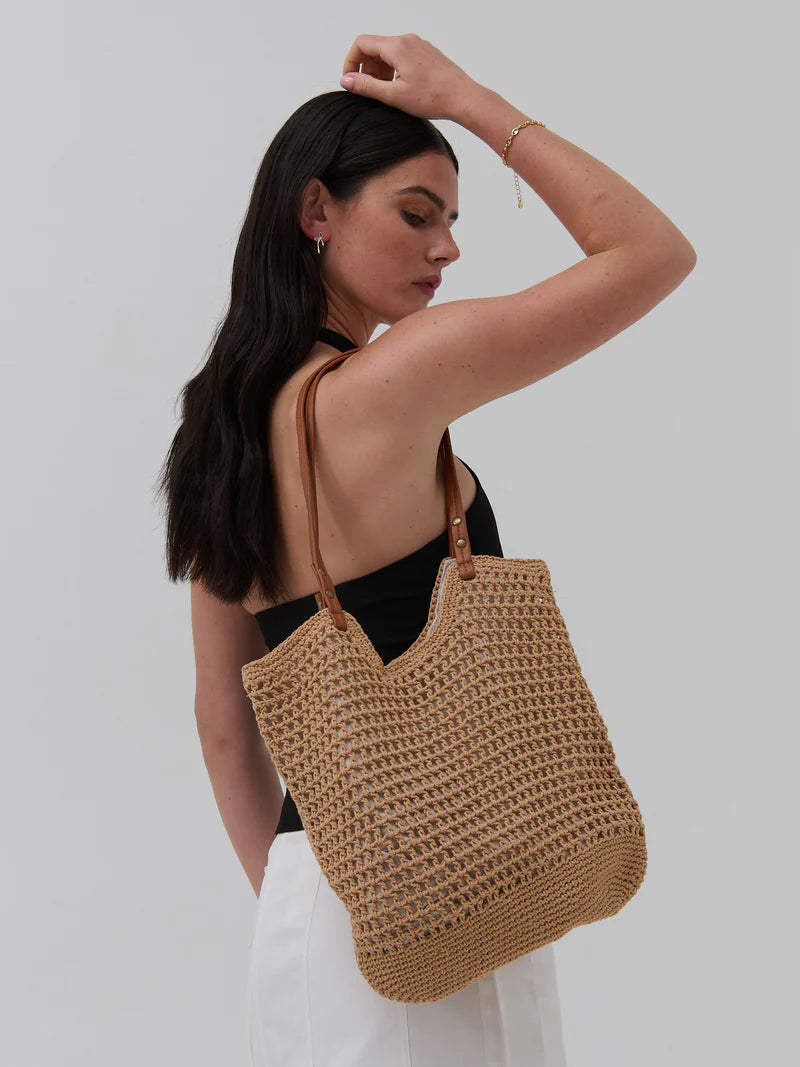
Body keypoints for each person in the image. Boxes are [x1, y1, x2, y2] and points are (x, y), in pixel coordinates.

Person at [157, 32, 695, 1067]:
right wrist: (466, 99)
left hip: (312, 910)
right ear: (314, 211)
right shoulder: (400, 376)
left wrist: (312, 911)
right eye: (416, 214)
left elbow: (223, 720)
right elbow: (650, 252)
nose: (445, 248)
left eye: (451, 220)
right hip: (456, 887)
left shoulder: (215, 436)